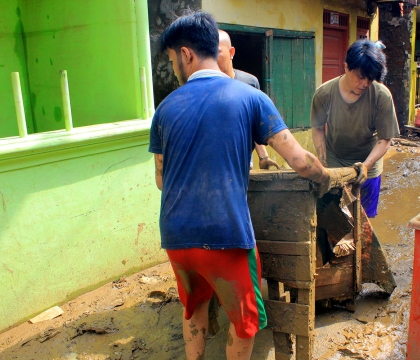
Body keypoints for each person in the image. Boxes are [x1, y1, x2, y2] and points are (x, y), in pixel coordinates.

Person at [150, 11, 363, 360]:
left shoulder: (164, 109)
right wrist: (327, 178)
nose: (175, 67)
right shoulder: (249, 97)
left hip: (175, 236)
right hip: (226, 235)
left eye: (173, 59)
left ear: (186, 54)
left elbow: (161, 180)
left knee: (194, 308)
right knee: (245, 321)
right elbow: (299, 161)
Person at [311, 40, 399, 219]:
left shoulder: (381, 96)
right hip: (335, 163)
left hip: (369, 166)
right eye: (360, 76)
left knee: (363, 223)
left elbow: (385, 139)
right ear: (346, 67)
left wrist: (366, 165)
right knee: (334, 219)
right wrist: (323, 161)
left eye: (370, 78)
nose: (364, 83)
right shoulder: (324, 94)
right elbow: (318, 128)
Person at [217, 29, 279, 170]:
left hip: (244, 160)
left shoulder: (249, 83)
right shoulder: (202, 88)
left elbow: (254, 123)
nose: (211, 58)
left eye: (217, 52)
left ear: (231, 53)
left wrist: (263, 157)